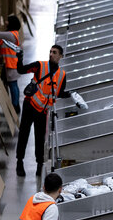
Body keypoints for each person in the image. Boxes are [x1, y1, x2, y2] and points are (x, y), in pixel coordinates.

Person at [15, 44, 73, 177]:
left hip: (43, 110)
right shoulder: (40, 66)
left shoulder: (62, 75)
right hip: (30, 105)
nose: (51, 54)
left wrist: (71, 94)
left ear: (60, 56)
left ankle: (39, 165)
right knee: (24, 132)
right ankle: (19, 162)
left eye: (55, 52)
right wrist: (19, 58)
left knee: (40, 138)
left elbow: (59, 93)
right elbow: (21, 70)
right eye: (50, 51)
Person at [0, 15, 23, 115]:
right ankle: (13, 105)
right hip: (9, 64)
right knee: (12, 85)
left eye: (7, 21)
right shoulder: (10, 35)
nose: (6, 22)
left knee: (13, 85)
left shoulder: (12, 35)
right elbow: (0, 41)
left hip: (12, 65)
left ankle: (15, 106)